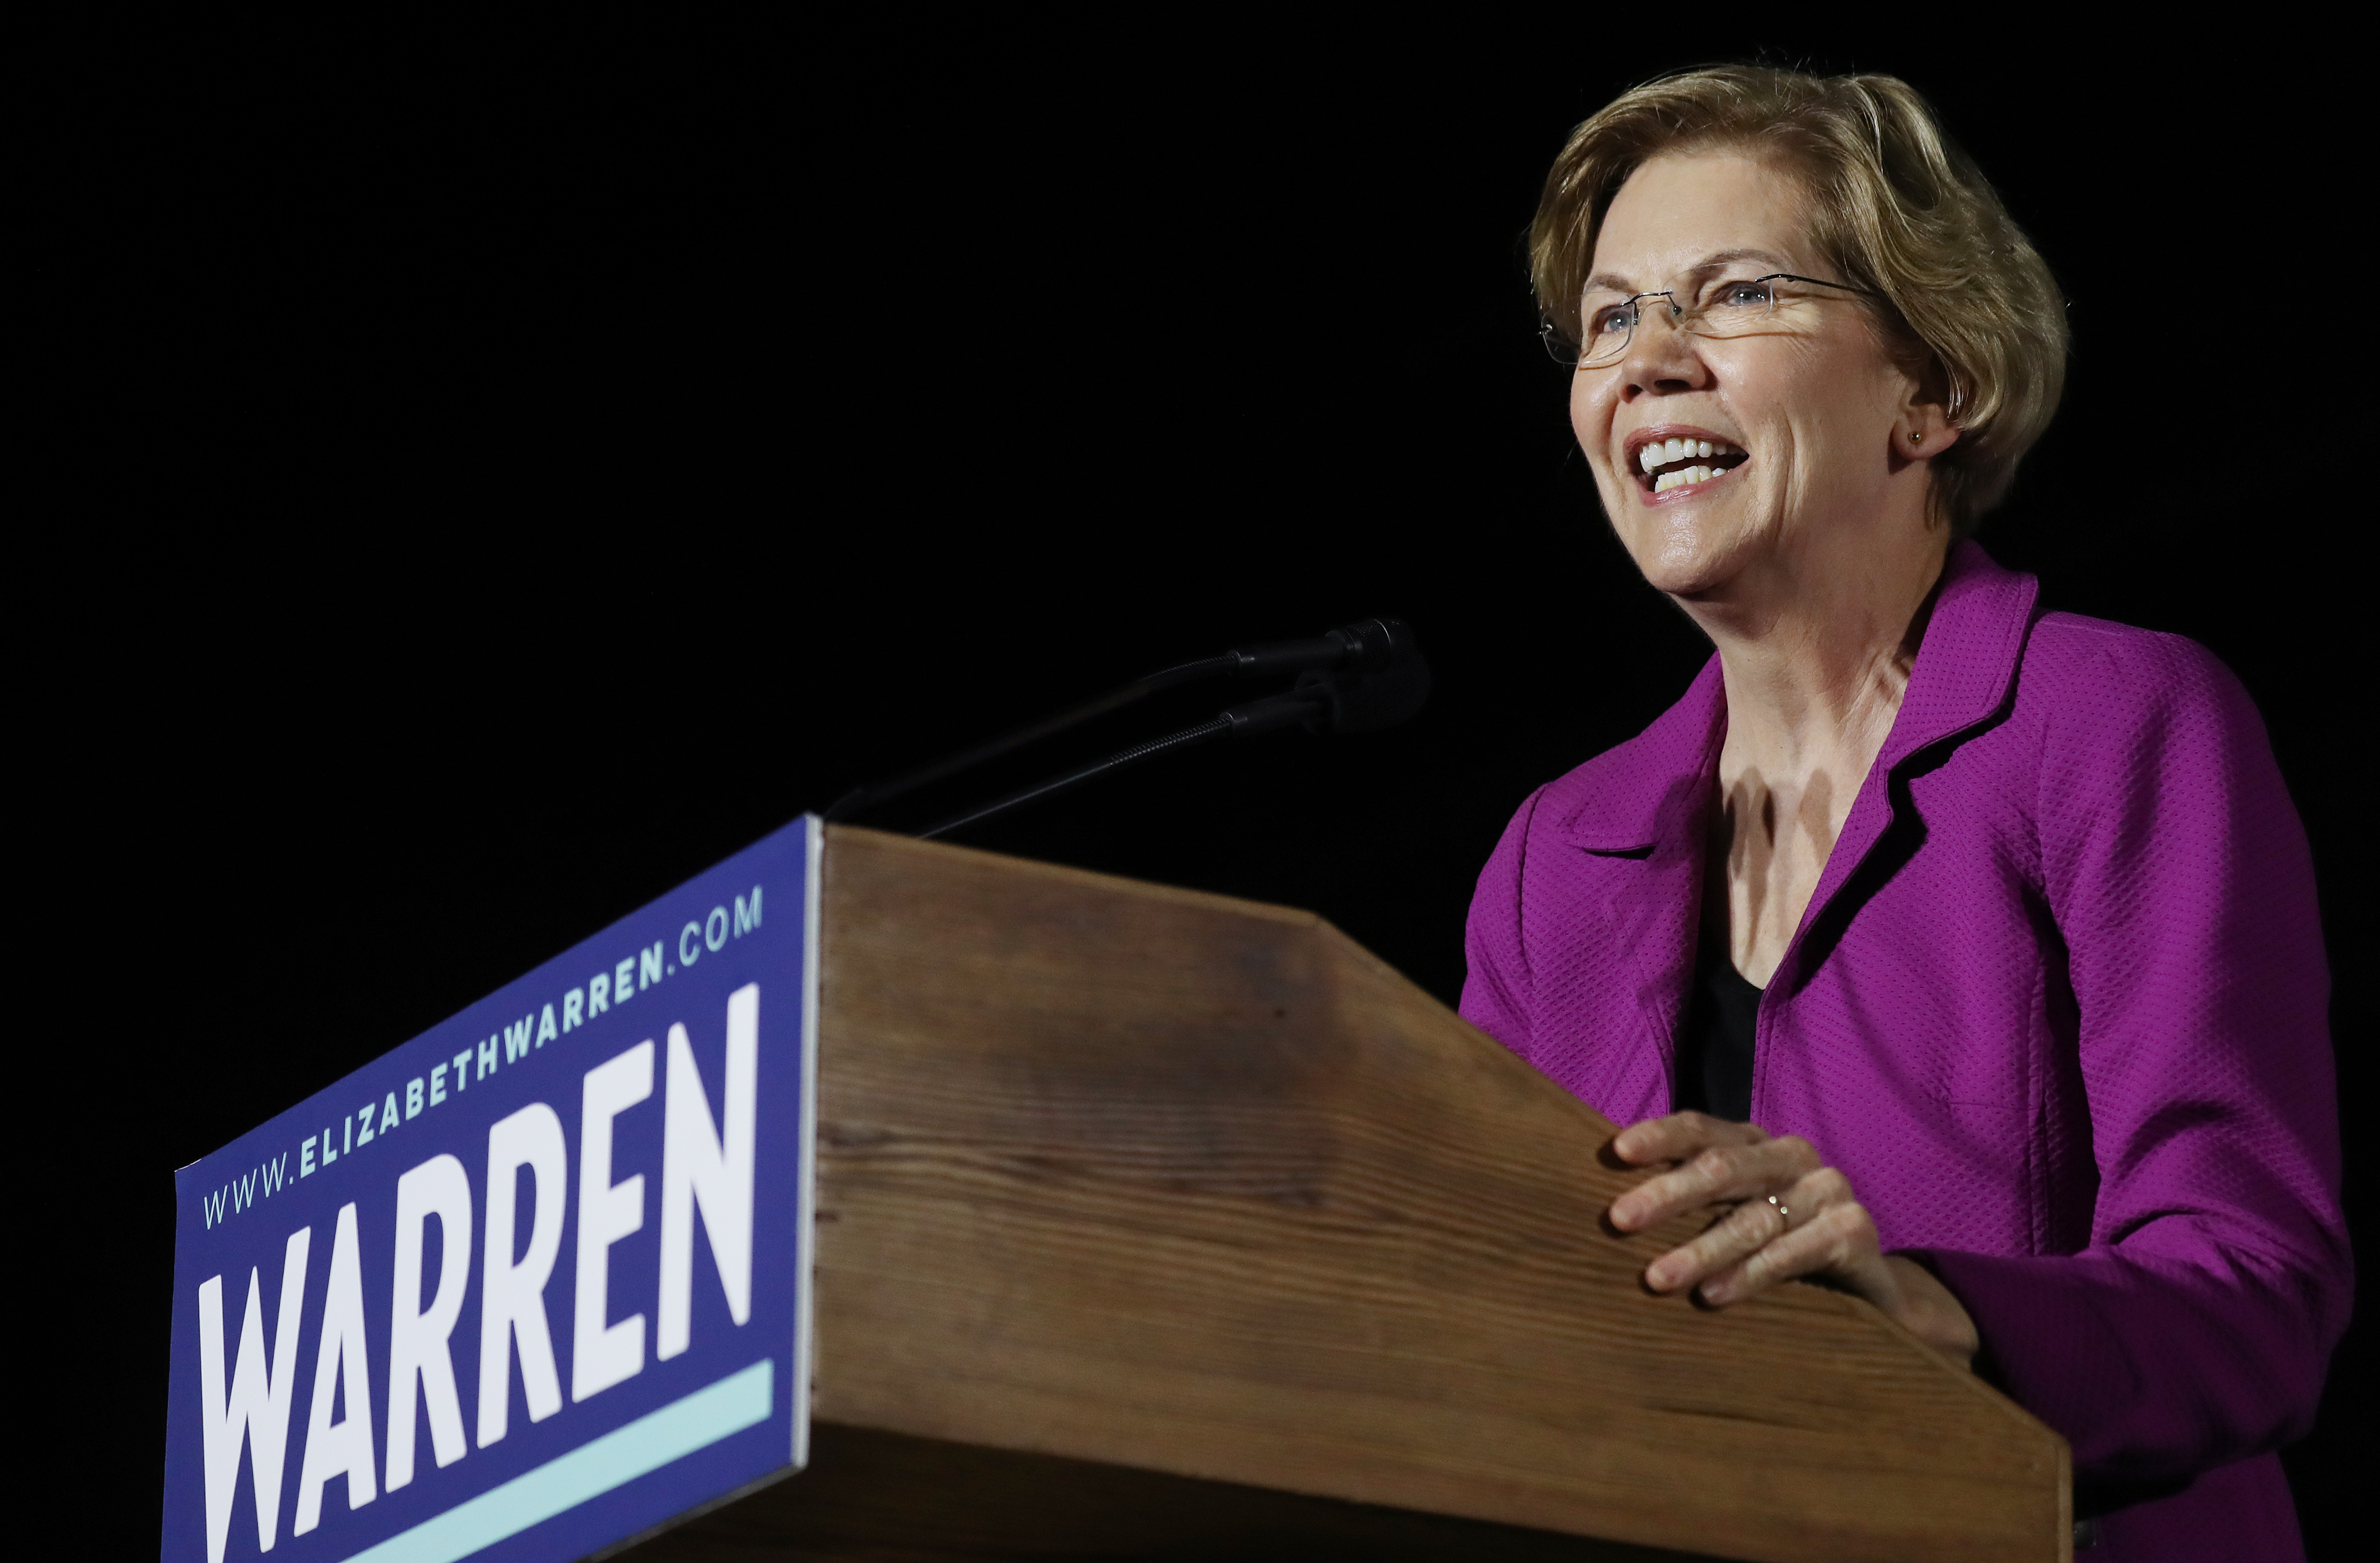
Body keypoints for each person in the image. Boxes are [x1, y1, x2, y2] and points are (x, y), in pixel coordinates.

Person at [1460, 66, 2348, 1561]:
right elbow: (1479, 1314)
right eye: (1608, 317)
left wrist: (1928, 1307)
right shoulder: (1555, 856)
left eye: (1729, 294)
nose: (1646, 361)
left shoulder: (2111, 720)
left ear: (1934, 387)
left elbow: (2254, 1292)